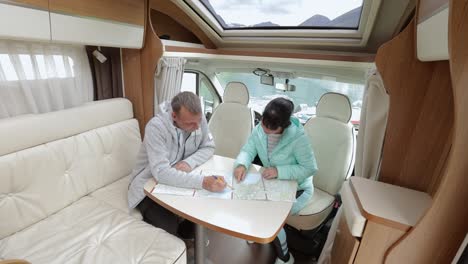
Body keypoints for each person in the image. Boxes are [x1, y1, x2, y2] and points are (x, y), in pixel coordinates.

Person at [128, 91, 227, 238]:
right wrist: (203, 182)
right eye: (190, 124)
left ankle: (188, 240)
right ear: (174, 116)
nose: (197, 126)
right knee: (169, 229)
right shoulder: (155, 127)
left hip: (177, 177)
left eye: (199, 121)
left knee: (206, 212)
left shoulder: (197, 119)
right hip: (147, 185)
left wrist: (189, 162)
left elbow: (209, 146)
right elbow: (161, 173)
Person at [233, 97, 318, 264]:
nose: (264, 129)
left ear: (284, 126)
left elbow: (309, 168)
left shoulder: (299, 138)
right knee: (249, 203)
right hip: (274, 184)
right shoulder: (259, 129)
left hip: (299, 188)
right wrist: (241, 164)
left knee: (270, 217)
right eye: (264, 123)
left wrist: (279, 171)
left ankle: (285, 258)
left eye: (270, 127)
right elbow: (248, 149)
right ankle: (257, 233)